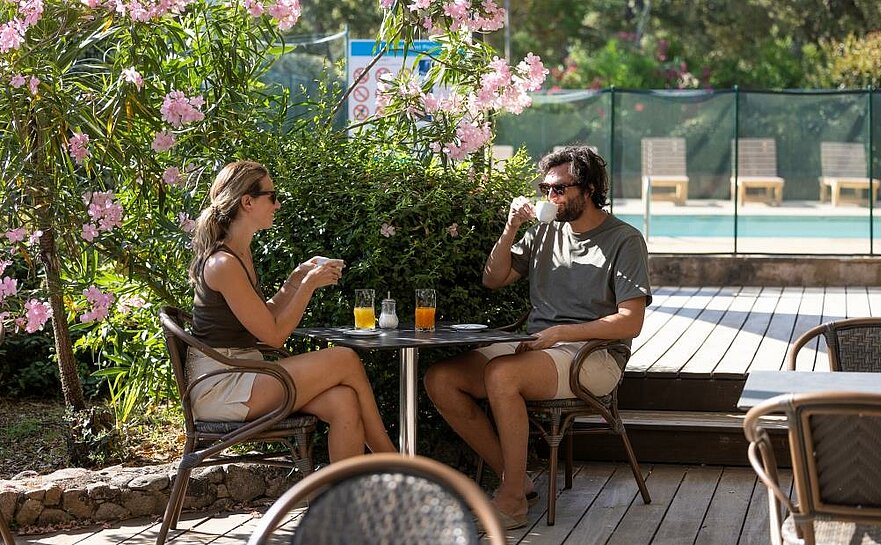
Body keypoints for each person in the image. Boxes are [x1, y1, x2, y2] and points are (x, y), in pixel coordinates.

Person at [424, 146, 651, 529]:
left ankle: (511, 500)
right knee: (441, 379)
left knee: (502, 374)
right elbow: (492, 279)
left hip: (594, 355)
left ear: (591, 188)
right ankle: (517, 477)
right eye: (545, 189)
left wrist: (563, 332)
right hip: (539, 346)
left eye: (559, 189)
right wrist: (511, 228)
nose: (550, 197)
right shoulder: (543, 232)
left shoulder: (624, 240)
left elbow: (630, 322)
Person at [187, 160, 396, 462]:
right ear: (247, 202)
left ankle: (344, 502)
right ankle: (397, 465)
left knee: (343, 400)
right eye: (271, 196)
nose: (278, 203)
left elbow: (264, 316)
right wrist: (308, 286)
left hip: (245, 373)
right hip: (222, 386)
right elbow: (273, 337)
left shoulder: (239, 253)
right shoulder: (224, 263)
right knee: (345, 358)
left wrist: (295, 280)